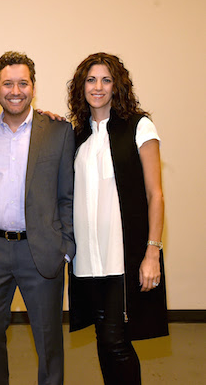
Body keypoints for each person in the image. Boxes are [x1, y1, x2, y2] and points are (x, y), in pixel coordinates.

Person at [0, 51, 75, 385]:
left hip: (40, 252)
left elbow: (68, 195)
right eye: (8, 83)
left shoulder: (58, 131)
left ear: (33, 86)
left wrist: (66, 247)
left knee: (49, 343)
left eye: (23, 83)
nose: (16, 91)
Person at [67, 52, 168, 385]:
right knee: (104, 340)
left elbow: (156, 194)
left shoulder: (139, 126)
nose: (98, 87)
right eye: (91, 79)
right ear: (81, 86)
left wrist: (152, 252)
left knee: (116, 341)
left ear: (117, 85)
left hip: (122, 258)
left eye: (106, 80)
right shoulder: (77, 135)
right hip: (86, 261)